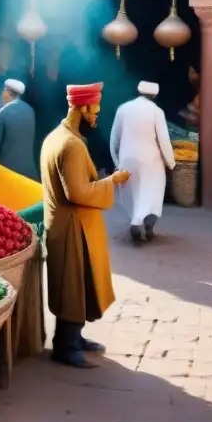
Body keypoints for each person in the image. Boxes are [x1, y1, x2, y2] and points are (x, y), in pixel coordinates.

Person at [40, 82, 130, 368]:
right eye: (95, 109)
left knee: (76, 284)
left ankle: (74, 337)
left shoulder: (56, 136)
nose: (97, 115)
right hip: (72, 227)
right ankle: (65, 347)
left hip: (64, 224)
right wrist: (111, 182)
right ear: (82, 107)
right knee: (72, 285)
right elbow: (77, 192)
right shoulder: (72, 145)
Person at [110, 81, 175, 242]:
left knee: (133, 193)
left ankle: (135, 220)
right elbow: (164, 141)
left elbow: (114, 140)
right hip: (150, 162)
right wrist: (171, 162)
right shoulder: (156, 111)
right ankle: (148, 224)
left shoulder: (123, 109)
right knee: (152, 192)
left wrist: (117, 161)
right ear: (154, 96)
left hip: (127, 160)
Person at [0, 78, 37, 179]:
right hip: (29, 174)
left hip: (7, 174)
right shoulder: (30, 111)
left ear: (6, 92)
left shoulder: (0, 115)